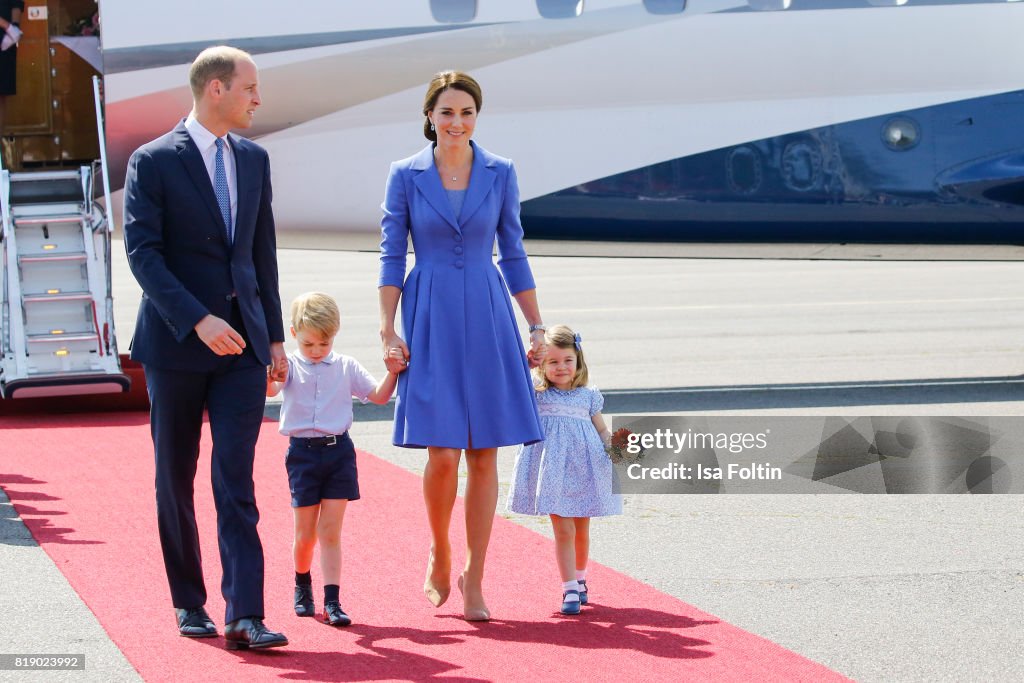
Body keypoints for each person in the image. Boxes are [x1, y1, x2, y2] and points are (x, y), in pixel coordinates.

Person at [123, 46, 289, 650]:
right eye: (249, 87)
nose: (257, 98)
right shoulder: (153, 160)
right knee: (176, 476)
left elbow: (260, 254)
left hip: (243, 347)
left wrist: (272, 336)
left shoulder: (254, 159)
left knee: (235, 479)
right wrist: (197, 320)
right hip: (175, 346)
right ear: (215, 88)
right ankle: (189, 601)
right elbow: (142, 253)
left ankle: (246, 613)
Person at [378, 70, 546, 621]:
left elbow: (513, 251)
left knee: (483, 453)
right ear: (429, 115)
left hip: (488, 309)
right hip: (428, 315)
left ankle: (476, 575)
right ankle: (441, 547)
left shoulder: (500, 172)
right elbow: (390, 255)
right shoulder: (405, 175)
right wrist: (387, 328)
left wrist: (536, 326)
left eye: (467, 113)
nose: (457, 122)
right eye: (447, 112)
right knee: (442, 454)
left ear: (477, 117)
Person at [267, 292, 404, 627]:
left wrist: (394, 372)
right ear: (294, 333)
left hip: (339, 453)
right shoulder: (290, 367)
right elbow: (269, 393)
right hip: (302, 455)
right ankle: (302, 582)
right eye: (310, 344)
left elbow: (380, 397)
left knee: (330, 532)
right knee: (305, 536)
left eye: (324, 344)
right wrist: (272, 374)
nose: (316, 351)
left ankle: (333, 601)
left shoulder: (345, 366)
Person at [506, 325, 622, 615]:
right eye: (552, 362)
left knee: (582, 529)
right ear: (542, 365)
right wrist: (529, 356)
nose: (560, 367)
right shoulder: (537, 394)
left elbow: (602, 430)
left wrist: (618, 449)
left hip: (586, 467)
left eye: (567, 360)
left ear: (578, 361)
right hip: (554, 471)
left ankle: (581, 579)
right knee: (564, 529)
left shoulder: (589, 396)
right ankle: (569, 586)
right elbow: (510, 378)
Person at [0, 0, 22, 168]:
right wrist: (7, 26)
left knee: (2, 98)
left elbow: (17, 4)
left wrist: (14, 27)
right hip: (5, 32)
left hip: (6, 43)